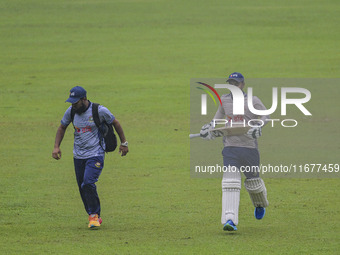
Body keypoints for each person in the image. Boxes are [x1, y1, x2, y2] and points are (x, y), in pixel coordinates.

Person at [200, 72, 269, 231]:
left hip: (249, 148)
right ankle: (229, 220)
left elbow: (266, 115)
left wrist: (259, 126)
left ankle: (259, 204)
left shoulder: (252, 100)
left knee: (253, 182)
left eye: (236, 83)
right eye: (230, 83)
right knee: (230, 181)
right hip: (230, 147)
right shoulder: (224, 100)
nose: (233, 86)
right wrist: (208, 129)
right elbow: (217, 118)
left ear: (242, 84)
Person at [52, 86, 129, 229]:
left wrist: (124, 143)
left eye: (76, 102)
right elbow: (62, 127)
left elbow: (115, 123)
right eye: (71, 103)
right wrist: (56, 146)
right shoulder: (71, 112)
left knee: (87, 183)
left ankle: (94, 215)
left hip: (96, 154)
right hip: (78, 156)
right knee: (82, 187)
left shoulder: (99, 110)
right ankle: (92, 215)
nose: (73, 105)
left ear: (84, 99)